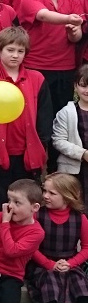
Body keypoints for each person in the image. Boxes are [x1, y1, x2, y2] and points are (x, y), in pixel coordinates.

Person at [0, 28, 50, 224]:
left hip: (27, 156)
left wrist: (42, 144)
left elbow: (44, 118)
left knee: (27, 210)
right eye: (10, 50)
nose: (15, 55)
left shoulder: (37, 78)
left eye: (20, 51)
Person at [26, 174, 88, 303]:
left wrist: (71, 263)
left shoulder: (80, 219)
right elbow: (31, 246)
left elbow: (86, 247)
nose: (45, 195)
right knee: (50, 292)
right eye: (45, 191)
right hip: (43, 265)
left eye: (52, 193)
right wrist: (48, 264)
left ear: (68, 196)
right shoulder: (38, 216)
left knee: (82, 290)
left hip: (70, 263)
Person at [19, 0, 84, 128]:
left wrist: (73, 31)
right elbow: (43, 15)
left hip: (66, 68)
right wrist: (70, 19)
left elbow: (76, 36)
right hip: (36, 67)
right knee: (39, 118)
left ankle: (58, 155)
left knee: (62, 118)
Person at [52, 65, 88, 209]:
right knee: (76, 206)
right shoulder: (66, 112)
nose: (87, 90)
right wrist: (83, 153)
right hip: (74, 170)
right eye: (83, 86)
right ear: (75, 86)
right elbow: (58, 140)